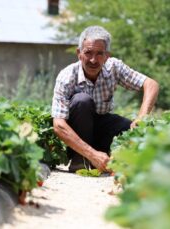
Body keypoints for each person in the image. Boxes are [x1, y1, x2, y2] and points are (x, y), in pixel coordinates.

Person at [51, 25, 159, 173]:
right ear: (79, 53)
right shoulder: (67, 76)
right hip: (77, 135)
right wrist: (91, 154)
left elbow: (151, 84)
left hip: (102, 127)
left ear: (107, 56)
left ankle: (113, 160)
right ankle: (80, 160)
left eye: (99, 54)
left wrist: (141, 117)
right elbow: (58, 125)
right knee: (81, 101)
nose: (93, 60)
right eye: (88, 53)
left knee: (135, 131)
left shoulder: (114, 67)